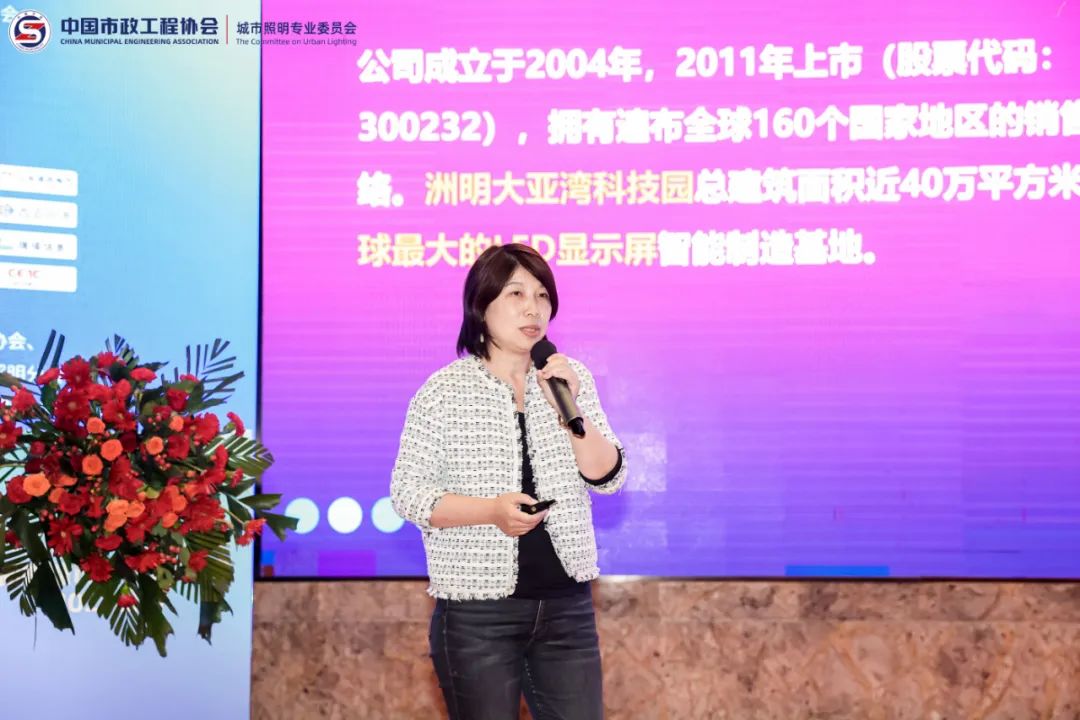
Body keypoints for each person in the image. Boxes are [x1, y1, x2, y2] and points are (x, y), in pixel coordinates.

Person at [391, 243, 628, 720]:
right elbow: (409, 494)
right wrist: (490, 512)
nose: (533, 308)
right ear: (482, 306)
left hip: (566, 609)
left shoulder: (568, 379)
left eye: (542, 296)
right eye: (516, 293)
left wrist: (570, 409)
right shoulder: (443, 392)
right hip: (478, 614)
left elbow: (607, 476)